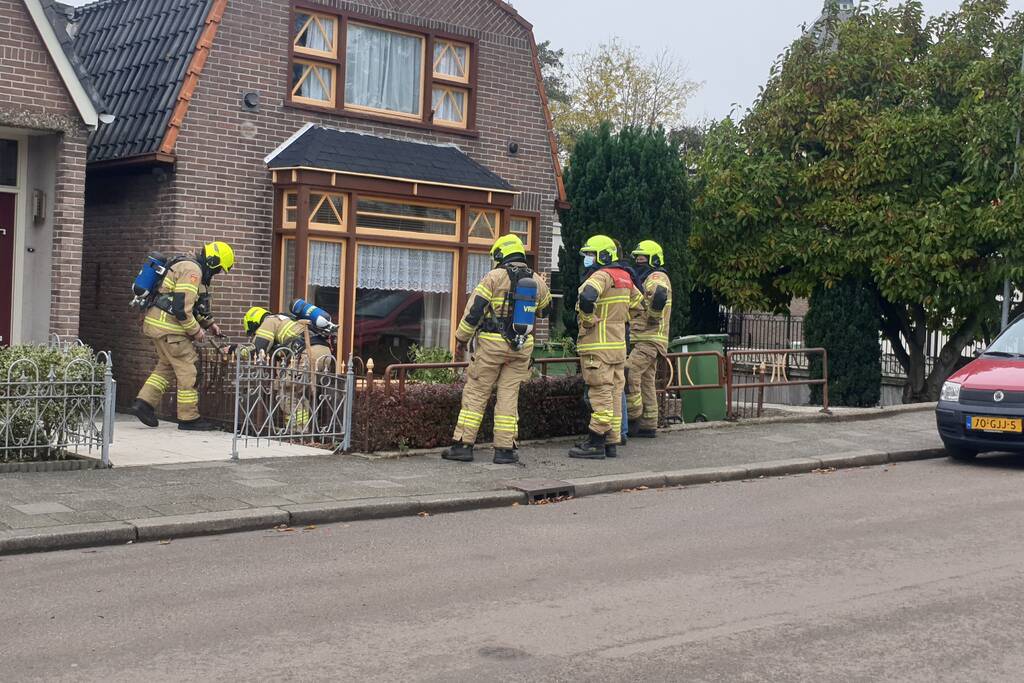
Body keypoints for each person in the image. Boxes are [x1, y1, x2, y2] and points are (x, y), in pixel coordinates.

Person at [442, 234, 552, 465]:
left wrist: (461, 337)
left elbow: (475, 310)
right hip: (522, 347)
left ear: (501, 254)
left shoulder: (493, 277)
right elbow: (545, 311)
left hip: (491, 345)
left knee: (477, 391)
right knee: (509, 395)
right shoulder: (536, 280)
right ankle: (505, 450)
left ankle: (463, 445)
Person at [132, 241, 234, 430]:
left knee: (166, 367)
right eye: (219, 269)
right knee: (188, 369)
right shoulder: (192, 270)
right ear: (212, 261)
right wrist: (196, 331)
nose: (218, 273)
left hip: (159, 326)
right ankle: (189, 418)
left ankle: (144, 404)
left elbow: (194, 305)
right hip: (171, 329)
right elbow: (181, 308)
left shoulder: (187, 264)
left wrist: (210, 324)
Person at [569, 235, 645, 459]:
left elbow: (587, 297)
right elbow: (639, 306)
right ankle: (611, 441)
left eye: (591, 255)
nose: (587, 259)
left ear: (603, 256)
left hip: (597, 348)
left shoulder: (601, 276)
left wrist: (588, 319)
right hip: (618, 347)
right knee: (613, 393)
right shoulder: (624, 277)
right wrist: (620, 320)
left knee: (600, 392)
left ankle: (595, 442)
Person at [241, 306, 333, 429]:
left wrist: (234, 350)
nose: (255, 335)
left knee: (285, 389)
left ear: (255, 323)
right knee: (298, 392)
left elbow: (257, 351)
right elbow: (283, 350)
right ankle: (305, 430)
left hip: (309, 353)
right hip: (324, 353)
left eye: (254, 333)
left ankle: (298, 431)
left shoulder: (268, 321)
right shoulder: (286, 319)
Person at [626, 240, 673, 438]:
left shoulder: (656, 276)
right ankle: (648, 424)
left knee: (629, 372)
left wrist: (652, 316)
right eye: (637, 257)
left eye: (643, 258)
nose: (639, 261)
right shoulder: (651, 276)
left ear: (654, 259)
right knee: (646, 380)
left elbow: (660, 295)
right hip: (649, 339)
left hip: (649, 339)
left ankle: (633, 416)